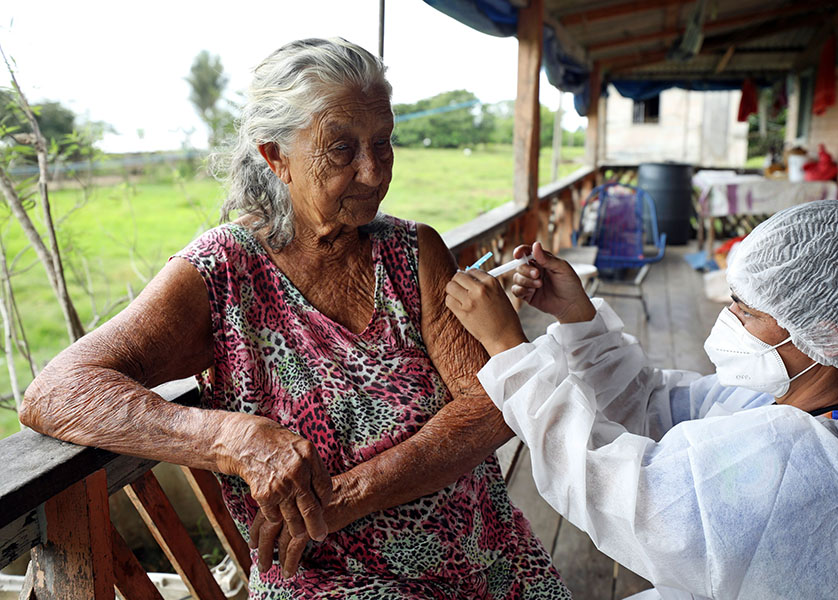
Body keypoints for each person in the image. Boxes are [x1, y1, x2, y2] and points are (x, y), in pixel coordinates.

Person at [19, 38, 570, 599]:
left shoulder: (412, 250)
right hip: (327, 578)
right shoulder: (222, 272)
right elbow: (56, 391)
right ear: (275, 157)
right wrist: (232, 438)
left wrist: (346, 496)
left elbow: (493, 404)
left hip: (484, 557)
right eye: (342, 150)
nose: (374, 171)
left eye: (383, 143)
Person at [445, 199, 838, 599]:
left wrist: (508, 349)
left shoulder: (817, 468)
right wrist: (578, 317)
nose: (730, 317)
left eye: (747, 309)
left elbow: (618, 490)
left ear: (828, 336)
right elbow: (657, 407)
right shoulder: (817, 403)